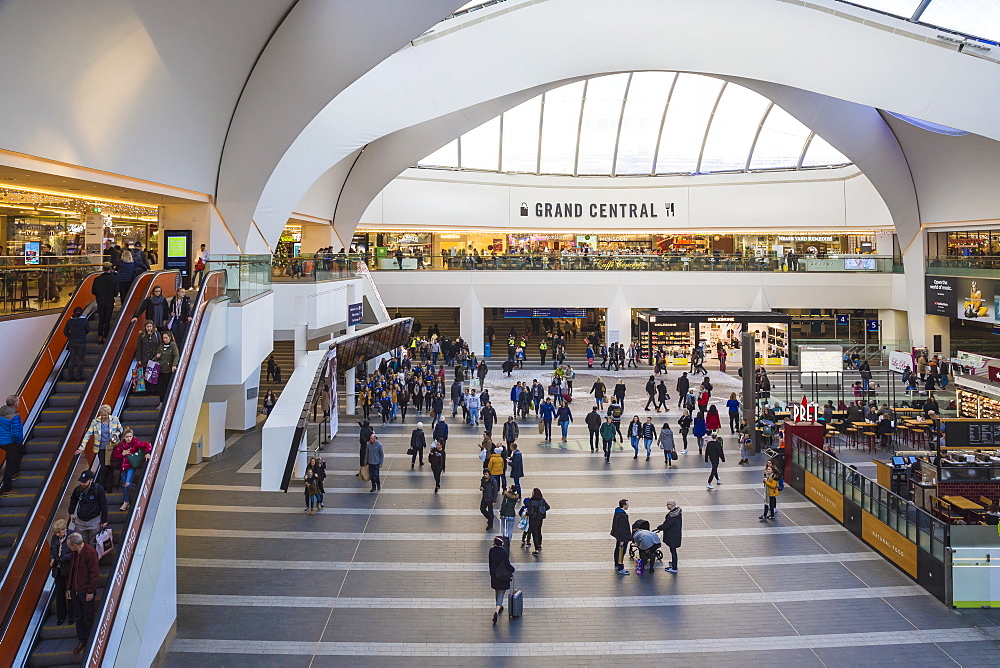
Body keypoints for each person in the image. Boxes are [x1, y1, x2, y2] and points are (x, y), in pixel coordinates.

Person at [67, 532, 100, 654]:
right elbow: (72, 571)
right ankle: (82, 640)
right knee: (78, 616)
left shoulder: (90, 553)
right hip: (76, 590)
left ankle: (91, 641)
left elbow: (94, 574)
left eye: (70, 545)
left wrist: (90, 591)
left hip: (86, 590)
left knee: (88, 617)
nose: (69, 547)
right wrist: (69, 588)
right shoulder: (75, 554)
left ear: (75, 545)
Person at [112, 428, 151, 511]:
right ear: (123, 438)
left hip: (131, 467)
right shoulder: (120, 445)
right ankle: (126, 502)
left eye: (130, 436)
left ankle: (134, 493)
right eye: (127, 437)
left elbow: (147, 444)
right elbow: (115, 455)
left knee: (127, 484)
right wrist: (123, 454)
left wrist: (147, 453)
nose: (129, 438)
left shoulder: (135, 443)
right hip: (123, 468)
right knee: (126, 486)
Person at [68, 470, 108, 546]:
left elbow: (104, 504)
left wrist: (104, 520)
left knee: (93, 542)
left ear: (91, 480)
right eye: (81, 481)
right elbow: (73, 500)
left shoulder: (98, 489)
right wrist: (71, 512)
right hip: (80, 521)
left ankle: (93, 556)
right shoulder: (78, 489)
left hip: (94, 520)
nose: (82, 483)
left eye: (84, 482)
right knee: (81, 542)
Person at [50, 519, 75, 626]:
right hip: (58, 569)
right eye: (56, 533)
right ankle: (61, 617)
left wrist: (63, 558)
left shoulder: (73, 536)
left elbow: (75, 551)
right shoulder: (55, 538)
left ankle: (72, 616)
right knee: (59, 594)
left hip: (69, 568)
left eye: (59, 532)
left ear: (65, 529)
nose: (57, 534)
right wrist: (52, 558)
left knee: (70, 593)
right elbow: (52, 550)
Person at [0, 395, 25, 496]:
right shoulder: (14, 417)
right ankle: (6, 489)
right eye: (18, 401)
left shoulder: (2, 412)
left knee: (17, 452)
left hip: (2, 441)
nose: (19, 402)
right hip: (9, 442)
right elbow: (16, 434)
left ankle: (15, 472)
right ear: (15, 404)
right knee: (10, 463)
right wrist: (19, 442)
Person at [488, 535, 515, 625]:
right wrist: (512, 569)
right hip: (502, 576)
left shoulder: (491, 551)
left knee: (497, 591)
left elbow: (490, 563)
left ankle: (499, 607)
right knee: (501, 594)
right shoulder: (503, 552)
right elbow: (507, 564)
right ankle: (497, 610)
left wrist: (491, 573)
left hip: (495, 575)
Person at [91, 262, 118, 343]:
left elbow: (93, 291)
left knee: (101, 318)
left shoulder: (97, 279)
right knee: (107, 319)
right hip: (109, 301)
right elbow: (116, 292)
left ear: (102, 269)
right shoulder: (114, 279)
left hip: (100, 301)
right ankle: (105, 336)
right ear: (110, 269)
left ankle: (99, 335)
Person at [63, 306, 89, 382]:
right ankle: (79, 377)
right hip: (81, 342)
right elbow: (87, 330)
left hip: (72, 342)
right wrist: (82, 335)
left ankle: (70, 377)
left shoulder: (70, 321)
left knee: (72, 359)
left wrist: (70, 336)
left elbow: (65, 331)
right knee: (80, 360)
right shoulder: (84, 320)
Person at [525, 487, 550, 556]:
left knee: (534, 533)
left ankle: (536, 549)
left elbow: (531, 512)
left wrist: (526, 513)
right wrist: (541, 511)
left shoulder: (532, 502)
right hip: (540, 518)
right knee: (539, 531)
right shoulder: (542, 500)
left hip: (533, 519)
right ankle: (539, 544)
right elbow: (548, 507)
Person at [610, 498, 631, 575]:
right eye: (627, 504)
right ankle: (620, 567)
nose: (628, 506)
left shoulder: (617, 512)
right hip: (623, 537)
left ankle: (616, 563)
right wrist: (622, 540)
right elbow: (622, 528)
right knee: (621, 552)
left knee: (617, 550)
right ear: (624, 505)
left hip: (618, 536)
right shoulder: (622, 515)